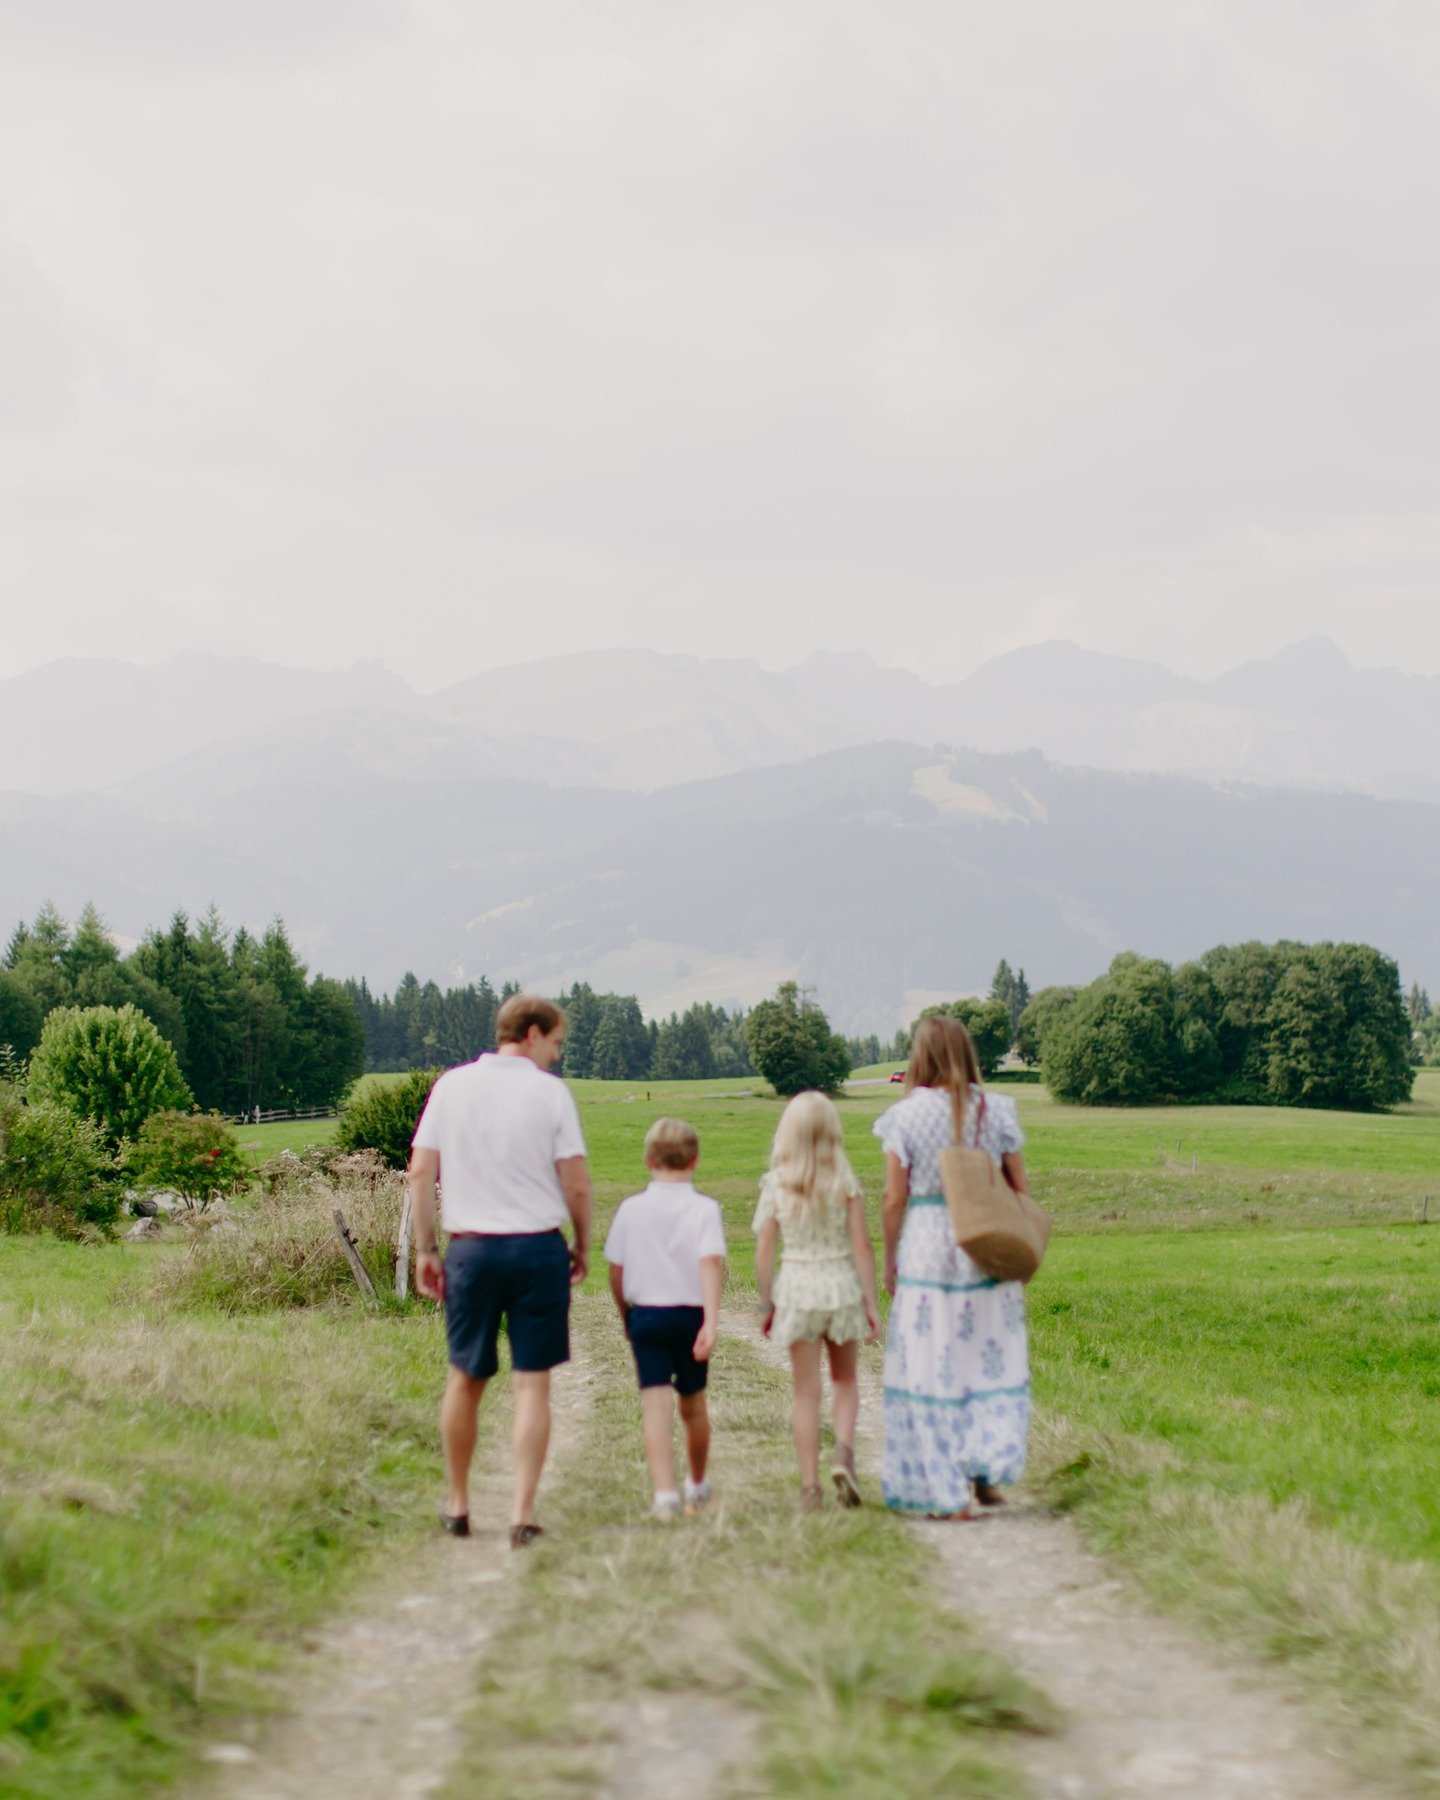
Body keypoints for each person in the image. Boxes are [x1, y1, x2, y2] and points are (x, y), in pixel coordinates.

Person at [408, 993, 592, 1549]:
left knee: (465, 1377)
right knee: (532, 1384)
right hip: (537, 1249)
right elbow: (577, 1182)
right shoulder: (550, 1094)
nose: (557, 1056)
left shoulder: (452, 1085)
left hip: (472, 1251)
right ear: (531, 1033)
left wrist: (426, 1250)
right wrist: (582, 1243)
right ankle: (520, 1513)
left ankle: (459, 1504)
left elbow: (420, 1174)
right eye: (556, 1042)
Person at [875, 1014, 1031, 1518]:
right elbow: (1020, 1190)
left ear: (920, 1056)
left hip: (927, 1253)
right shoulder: (997, 1110)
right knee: (985, 1360)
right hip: (986, 1248)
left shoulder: (907, 1117)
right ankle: (984, 1475)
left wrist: (890, 1258)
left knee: (933, 1367)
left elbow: (894, 1197)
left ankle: (945, 1491)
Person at [754, 1091, 881, 1512]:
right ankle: (844, 1453)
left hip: (798, 1290)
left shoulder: (776, 1184)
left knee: (805, 1392)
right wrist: (871, 1304)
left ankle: (810, 1488)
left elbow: (764, 1251)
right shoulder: (844, 1181)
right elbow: (862, 1247)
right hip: (841, 1287)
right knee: (845, 1381)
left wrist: (766, 1304)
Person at [605, 1117, 726, 1520]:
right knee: (693, 1404)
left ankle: (665, 1495)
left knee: (655, 1407)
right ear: (695, 1160)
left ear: (647, 1159)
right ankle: (696, 1481)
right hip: (691, 1316)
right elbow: (710, 1262)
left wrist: (626, 1313)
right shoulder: (705, 1209)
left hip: (647, 1317)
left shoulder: (630, 1209)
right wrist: (710, 1321)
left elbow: (616, 1271)